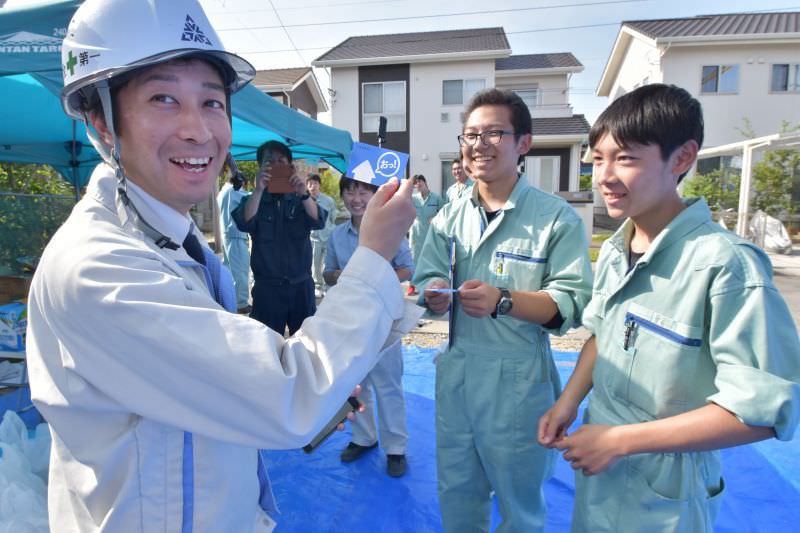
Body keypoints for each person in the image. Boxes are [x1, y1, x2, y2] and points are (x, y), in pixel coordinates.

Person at [26, 1, 417, 531]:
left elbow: (235, 370)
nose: (198, 130)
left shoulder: (171, 237)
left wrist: (355, 348)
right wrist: (374, 255)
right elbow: (286, 395)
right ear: (100, 119)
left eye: (212, 102)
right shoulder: (97, 267)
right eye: (163, 98)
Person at [537, 84, 800, 532]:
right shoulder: (619, 248)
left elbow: (763, 411)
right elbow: (604, 334)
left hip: (665, 489)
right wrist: (568, 401)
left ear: (681, 158)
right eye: (598, 158)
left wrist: (621, 440)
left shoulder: (726, 266)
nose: (604, 175)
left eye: (626, 158)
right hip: (602, 462)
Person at [412, 88, 593, 532]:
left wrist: (505, 301)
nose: (479, 144)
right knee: (457, 493)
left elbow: (569, 305)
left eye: (494, 132)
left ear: (524, 144)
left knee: (520, 502)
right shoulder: (449, 215)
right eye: (470, 134)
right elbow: (427, 274)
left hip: (517, 383)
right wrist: (433, 291)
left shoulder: (554, 219)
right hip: (456, 374)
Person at [324, 177, 414, 477]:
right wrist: (341, 276)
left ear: (375, 195)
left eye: (364, 191)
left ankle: (396, 448)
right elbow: (327, 273)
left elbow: (408, 268)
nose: (356, 197)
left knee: (388, 385)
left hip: (385, 318)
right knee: (354, 383)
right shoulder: (337, 235)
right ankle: (364, 437)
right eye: (349, 191)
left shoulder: (392, 231)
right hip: (350, 321)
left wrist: (377, 274)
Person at [232, 140, 326, 335]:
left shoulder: (300, 199)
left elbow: (318, 221)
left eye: (281, 161)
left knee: (306, 344)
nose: (275, 166)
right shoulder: (253, 200)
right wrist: (258, 189)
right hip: (267, 288)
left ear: (290, 166)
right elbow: (244, 223)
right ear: (260, 167)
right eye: (269, 161)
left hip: (301, 286)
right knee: (266, 345)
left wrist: (303, 194)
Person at [217, 164, 251, 313]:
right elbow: (249, 198)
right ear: (241, 182)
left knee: (229, 271)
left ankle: (230, 301)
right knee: (240, 271)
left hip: (228, 234)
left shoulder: (223, 191)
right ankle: (241, 303)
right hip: (236, 235)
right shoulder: (233, 191)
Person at [407, 174, 443, 296]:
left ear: (425, 182)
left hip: (430, 233)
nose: (418, 185)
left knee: (430, 259)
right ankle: (412, 285)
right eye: (415, 183)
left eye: (419, 182)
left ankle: (428, 286)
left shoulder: (436, 198)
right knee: (414, 259)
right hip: (416, 234)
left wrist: (436, 217)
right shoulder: (413, 198)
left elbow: (444, 213)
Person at [307, 173, 337, 298]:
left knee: (327, 263)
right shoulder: (305, 200)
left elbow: (332, 217)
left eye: (315, 183)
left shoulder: (328, 200)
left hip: (328, 235)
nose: (313, 186)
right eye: (310, 184)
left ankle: (327, 286)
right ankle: (317, 286)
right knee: (314, 263)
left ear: (319, 185)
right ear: (307, 186)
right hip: (313, 237)